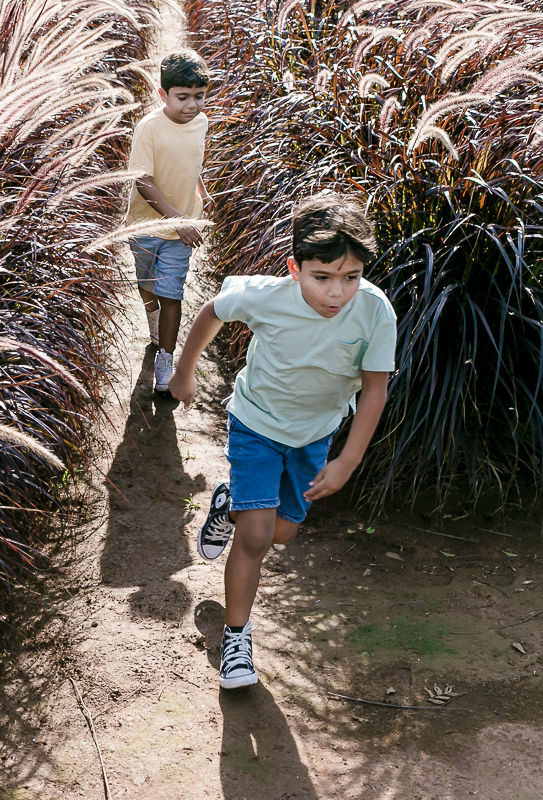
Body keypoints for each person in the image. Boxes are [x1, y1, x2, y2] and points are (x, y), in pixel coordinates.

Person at [168, 194, 397, 689]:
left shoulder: (375, 311)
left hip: (315, 436)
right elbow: (212, 310)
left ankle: (230, 506)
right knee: (255, 538)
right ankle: (236, 639)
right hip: (256, 425)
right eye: (323, 277)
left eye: (351, 277)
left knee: (280, 533)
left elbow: (375, 390)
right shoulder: (266, 295)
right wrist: (183, 373)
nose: (338, 292)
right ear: (295, 268)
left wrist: (346, 463)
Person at [126, 49, 212, 394]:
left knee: (172, 293)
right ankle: (153, 321)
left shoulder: (202, 122)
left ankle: (165, 357)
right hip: (145, 226)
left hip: (181, 231)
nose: (192, 105)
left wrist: (202, 192)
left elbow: (193, 162)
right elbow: (142, 181)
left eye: (199, 96)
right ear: (163, 94)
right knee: (147, 283)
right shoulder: (148, 129)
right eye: (183, 97)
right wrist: (178, 221)